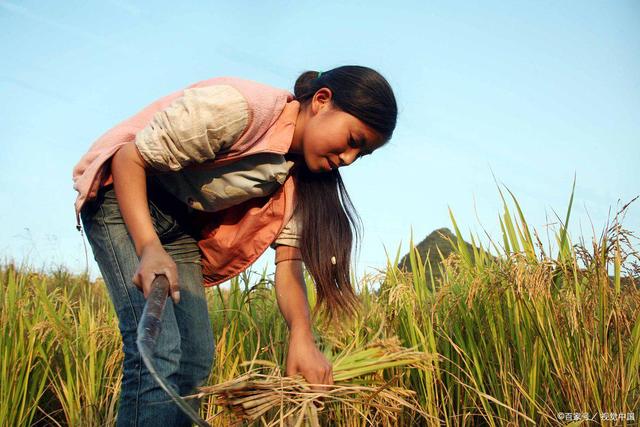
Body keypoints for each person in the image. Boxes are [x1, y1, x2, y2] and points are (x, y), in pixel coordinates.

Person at [72, 65, 398, 426]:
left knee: (196, 358)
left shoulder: (300, 180)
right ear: (322, 101)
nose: (349, 159)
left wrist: (302, 336)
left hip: (178, 226)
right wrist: (149, 246)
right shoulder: (238, 109)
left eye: (361, 155)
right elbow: (129, 158)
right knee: (156, 351)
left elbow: (288, 268)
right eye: (353, 140)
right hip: (121, 198)